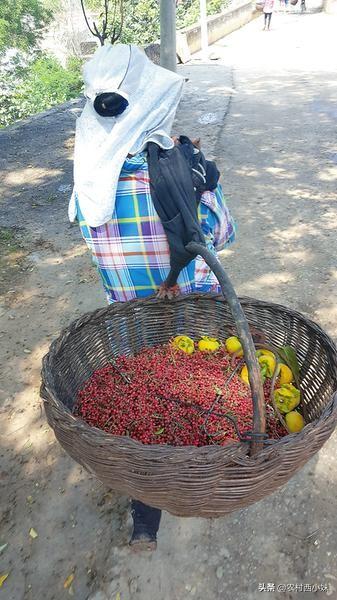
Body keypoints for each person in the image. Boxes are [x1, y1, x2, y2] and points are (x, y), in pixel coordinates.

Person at [69, 43, 236, 551]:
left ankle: (146, 518)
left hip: (131, 325)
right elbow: (222, 236)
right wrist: (198, 177)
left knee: (147, 417)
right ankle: (204, 482)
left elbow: (95, 240)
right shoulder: (182, 166)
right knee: (200, 406)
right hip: (196, 324)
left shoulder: (87, 183)